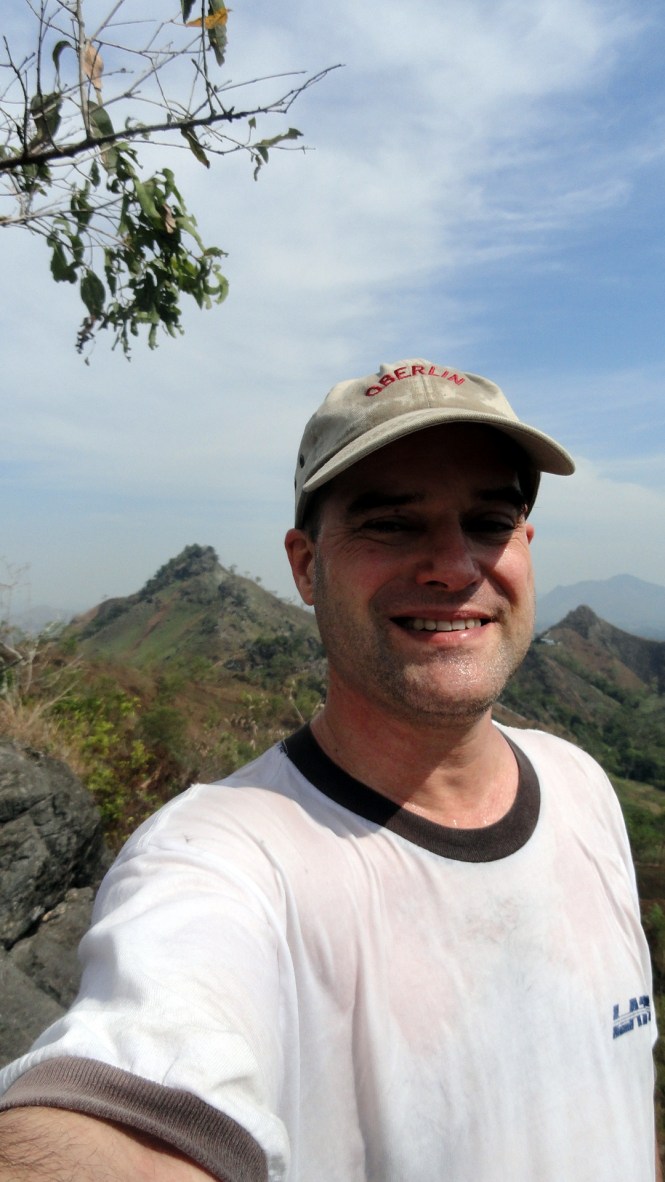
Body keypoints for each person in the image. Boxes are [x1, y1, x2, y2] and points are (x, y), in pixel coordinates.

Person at [0, 359, 658, 1181]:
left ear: (525, 547)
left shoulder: (580, 787)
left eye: (488, 520)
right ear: (305, 566)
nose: (453, 567)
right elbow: (133, 1098)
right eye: (390, 523)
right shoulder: (223, 859)